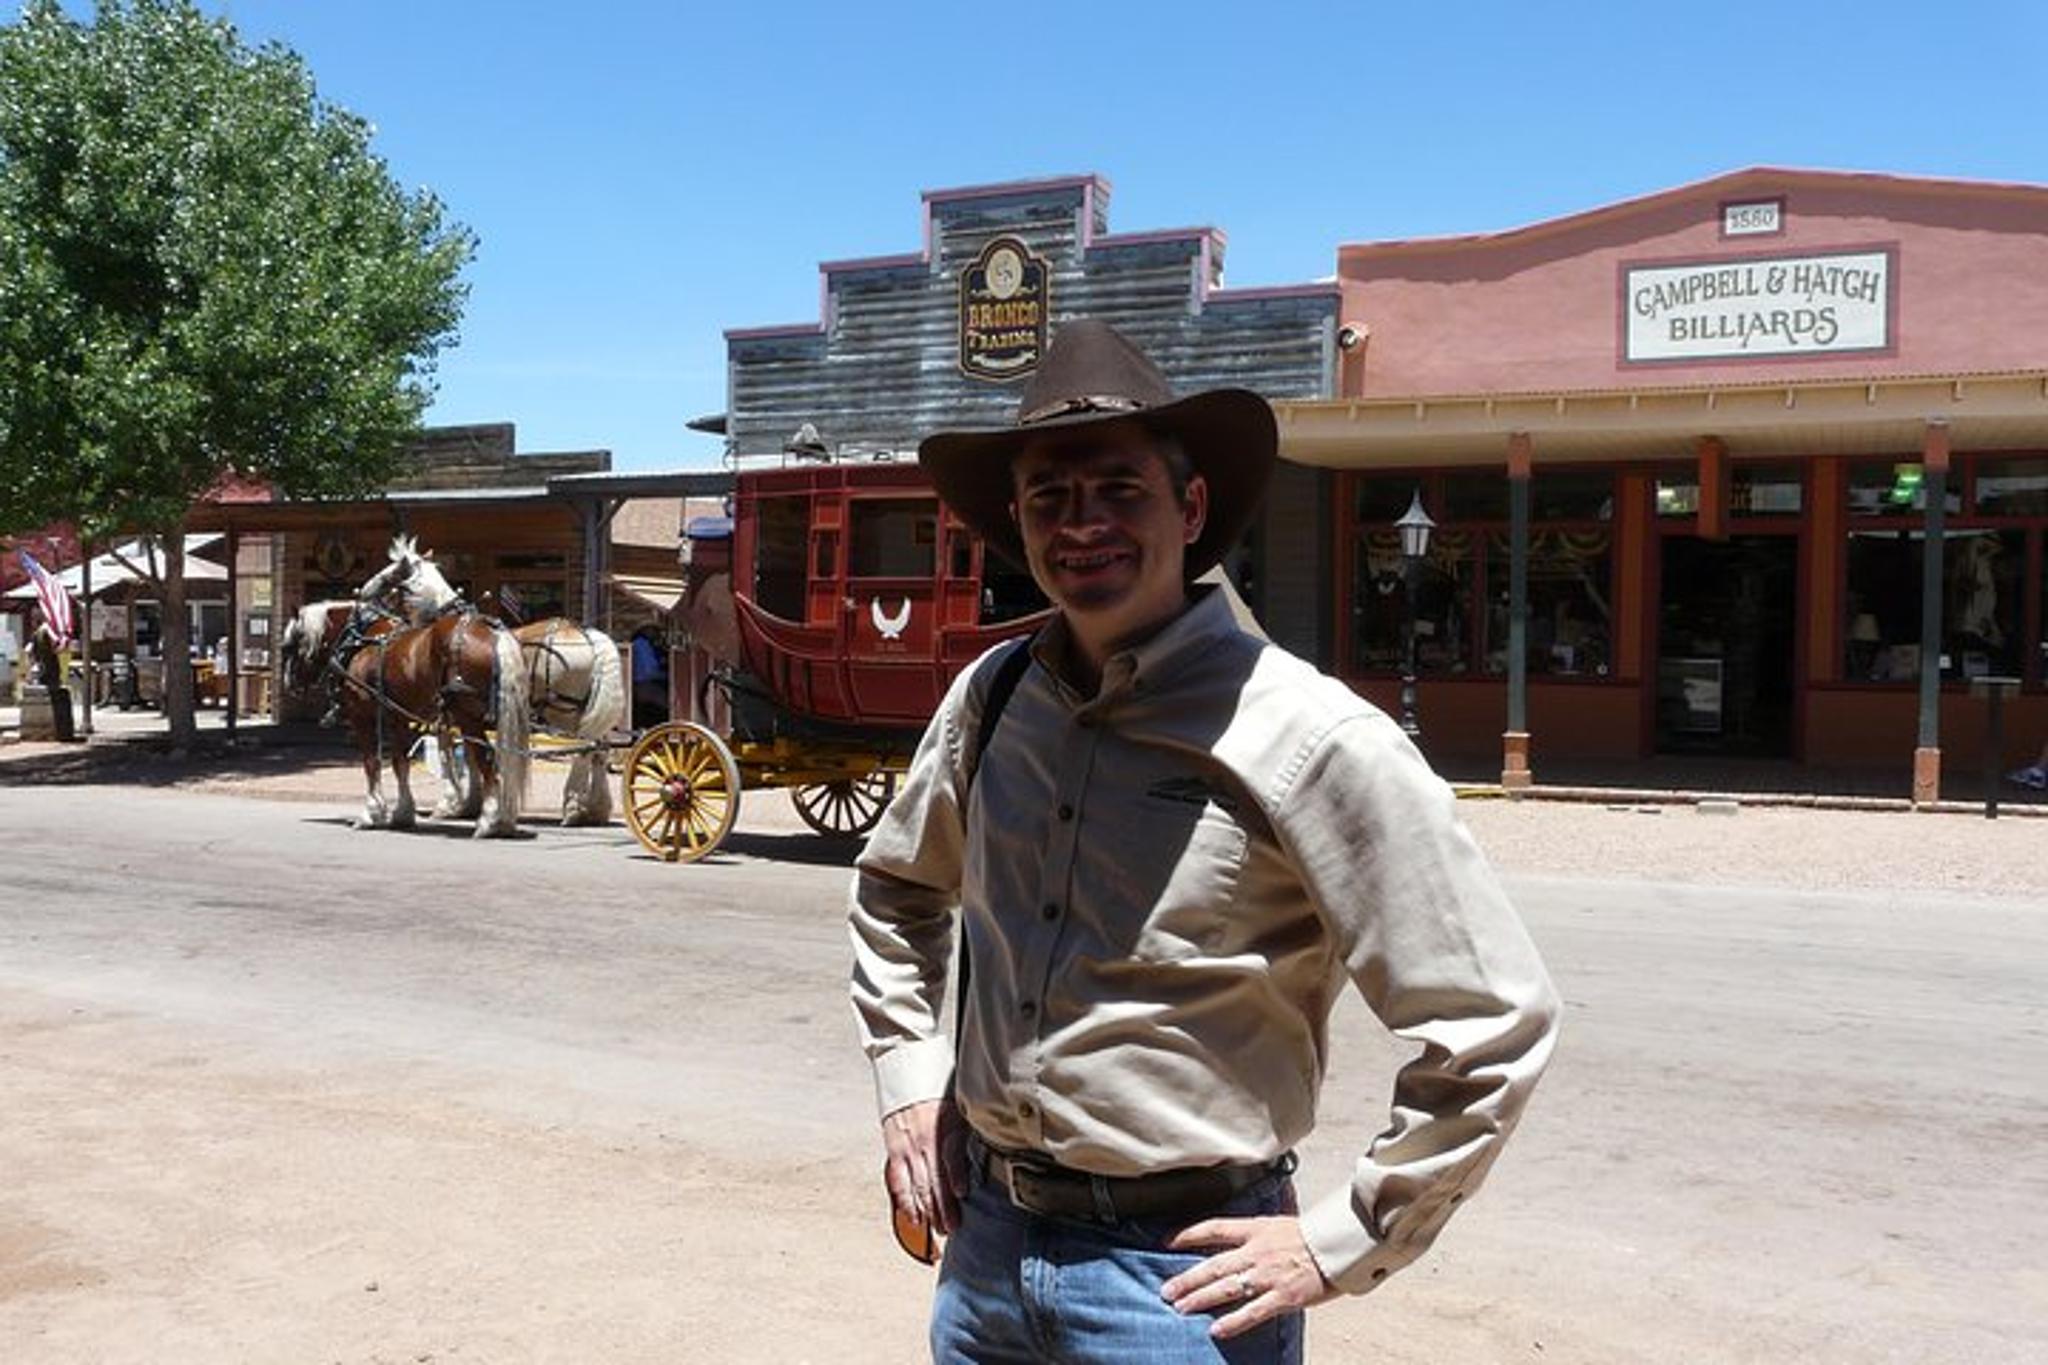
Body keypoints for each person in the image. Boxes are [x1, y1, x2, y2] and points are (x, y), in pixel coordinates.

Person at [849, 320, 1561, 1362]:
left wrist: (1341, 1239)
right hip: (987, 1252)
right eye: (1049, 495)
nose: (1080, 522)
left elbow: (1494, 1018)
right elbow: (899, 892)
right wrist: (911, 1081)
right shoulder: (992, 698)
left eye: (1118, 489)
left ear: (1189, 509)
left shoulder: (1306, 735)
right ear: (1017, 521)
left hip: (1178, 1283)